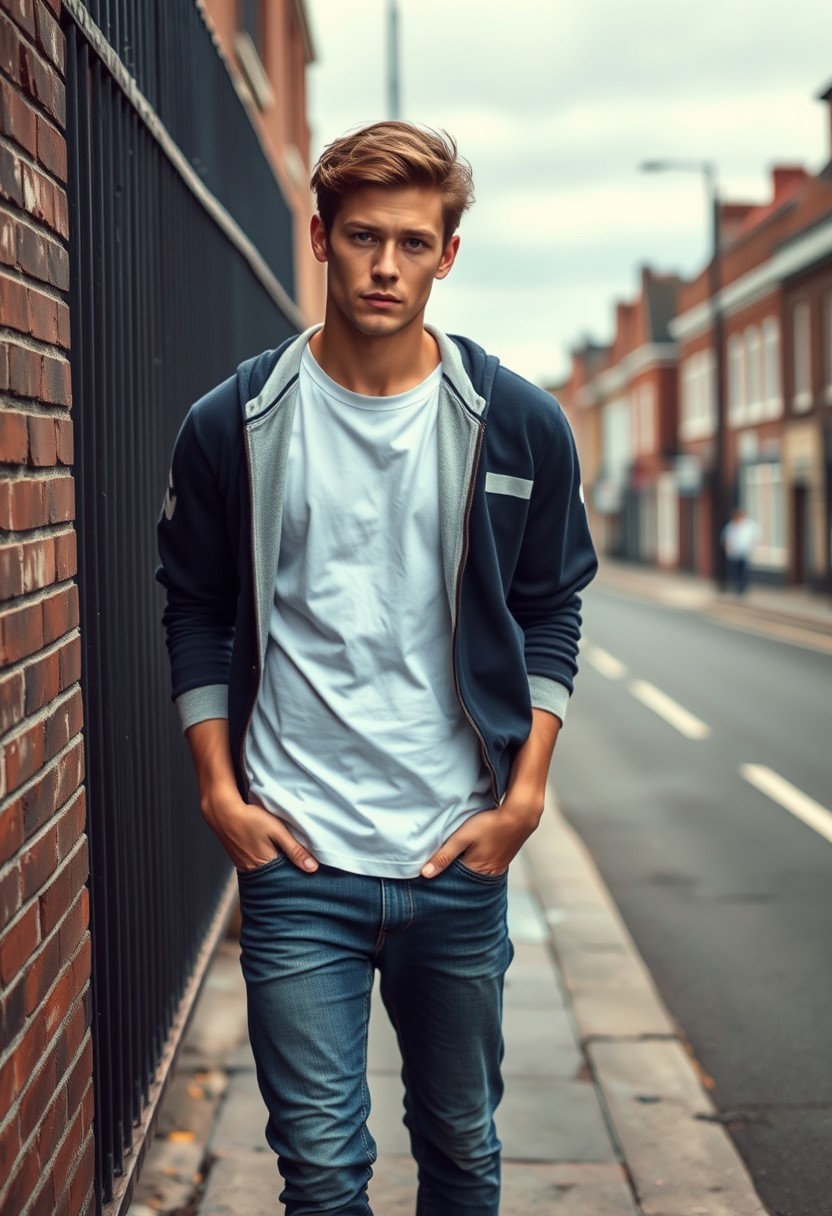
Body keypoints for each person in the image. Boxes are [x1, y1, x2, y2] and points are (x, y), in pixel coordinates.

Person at [157, 121, 597, 1216]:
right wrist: (219, 786)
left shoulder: (519, 426)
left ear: (448, 252)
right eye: (361, 238)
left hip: (456, 853)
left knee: (460, 1150)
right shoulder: (233, 425)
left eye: (412, 242)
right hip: (299, 856)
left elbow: (550, 607)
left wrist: (524, 793)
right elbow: (197, 606)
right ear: (320, 236)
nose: (385, 267)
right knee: (319, 1171)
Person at [721, 507, 758, 595]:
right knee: (735, 572)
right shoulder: (731, 526)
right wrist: (728, 549)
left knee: (743, 571)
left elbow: (755, 538)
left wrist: (751, 547)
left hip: (744, 553)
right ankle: (737, 588)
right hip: (734, 554)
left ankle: (742, 589)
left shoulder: (750, 525)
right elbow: (726, 539)